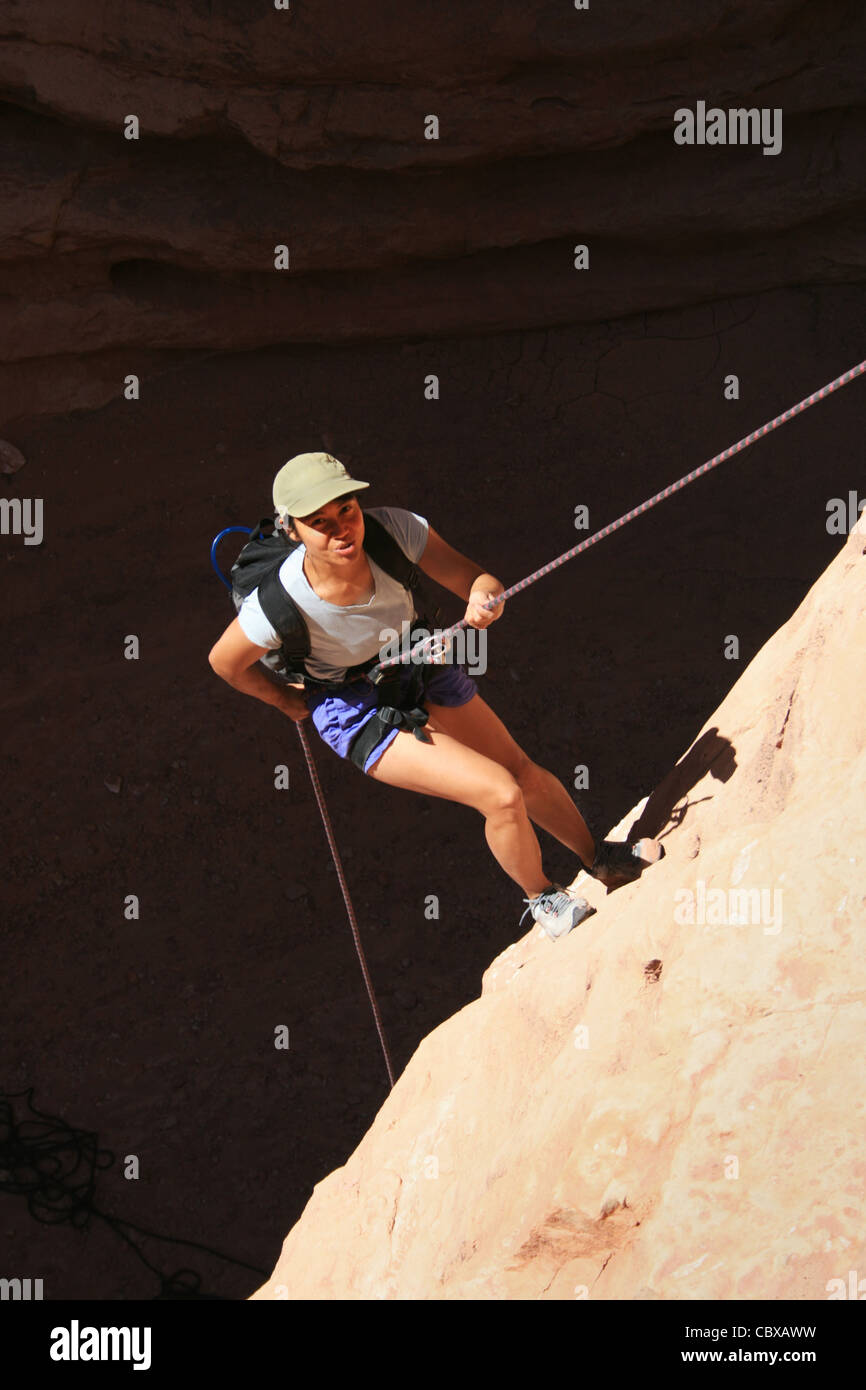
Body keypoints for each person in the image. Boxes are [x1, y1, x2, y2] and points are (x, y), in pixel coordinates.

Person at [208, 452, 660, 940]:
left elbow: (476, 579)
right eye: (319, 523)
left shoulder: (393, 531)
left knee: (520, 772)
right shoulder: (276, 604)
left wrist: (484, 600)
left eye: (347, 511)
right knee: (500, 793)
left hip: (414, 661)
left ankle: (600, 859)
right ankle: (543, 897)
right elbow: (224, 661)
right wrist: (285, 701)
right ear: (291, 530)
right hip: (354, 708)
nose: (342, 530)